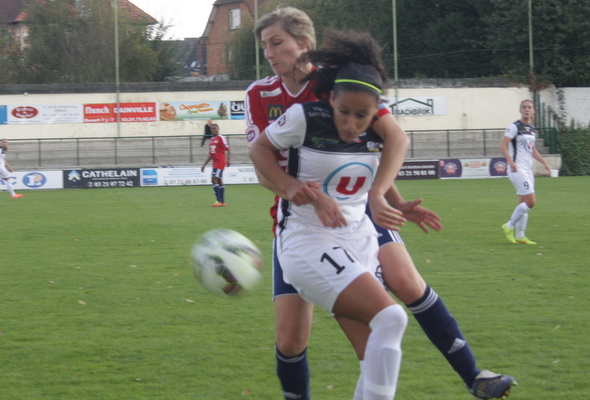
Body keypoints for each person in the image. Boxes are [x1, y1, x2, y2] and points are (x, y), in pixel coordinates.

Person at [246, 7, 516, 400]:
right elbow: (261, 163)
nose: (269, 53)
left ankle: (474, 375)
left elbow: (384, 143)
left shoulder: (341, 85)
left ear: (303, 43)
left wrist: (390, 198)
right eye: (264, 45)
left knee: (404, 287)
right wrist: (293, 189)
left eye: (277, 43)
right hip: (301, 219)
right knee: (290, 340)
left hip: (359, 211)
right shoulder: (262, 94)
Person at [250, 33, 409, 399]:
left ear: (376, 112)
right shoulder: (303, 118)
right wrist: (291, 188)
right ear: (331, 98)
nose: (352, 123)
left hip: (358, 238)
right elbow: (258, 148)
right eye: (344, 112)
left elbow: (398, 142)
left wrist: (383, 195)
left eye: (362, 116)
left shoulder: (377, 129)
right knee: (392, 317)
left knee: (372, 351)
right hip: (306, 240)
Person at [500, 99, 550, 245]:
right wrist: (511, 161)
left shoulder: (532, 129)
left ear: (533, 110)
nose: (527, 109)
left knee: (522, 203)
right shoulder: (515, 127)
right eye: (524, 107)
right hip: (517, 169)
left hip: (528, 170)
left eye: (529, 107)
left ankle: (520, 235)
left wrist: (544, 162)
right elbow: (503, 145)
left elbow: (532, 150)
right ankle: (508, 226)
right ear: (520, 110)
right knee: (531, 202)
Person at [201, 124, 230, 207]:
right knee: (219, 180)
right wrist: (204, 165)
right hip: (215, 163)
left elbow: (228, 149)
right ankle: (222, 202)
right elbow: (211, 154)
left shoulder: (221, 137)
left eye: (215, 128)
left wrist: (228, 160)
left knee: (214, 180)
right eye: (212, 129)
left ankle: (218, 201)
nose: (213, 130)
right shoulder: (212, 139)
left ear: (218, 129)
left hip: (220, 162)